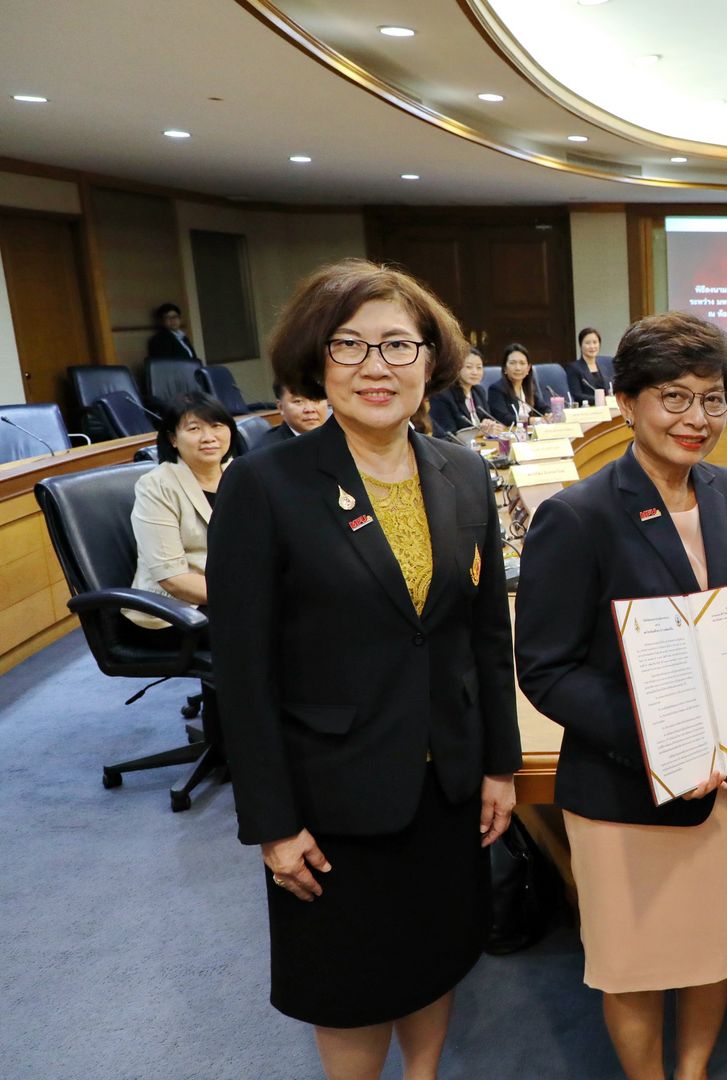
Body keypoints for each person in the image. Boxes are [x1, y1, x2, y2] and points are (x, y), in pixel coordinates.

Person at [208, 259, 521, 1080]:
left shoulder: (461, 471)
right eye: (349, 346)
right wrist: (271, 823)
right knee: (349, 984)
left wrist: (500, 764)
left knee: (437, 956)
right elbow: (241, 671)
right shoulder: (265, 485)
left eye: (396, 346)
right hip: (333, 796)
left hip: (447, 781)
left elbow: (485, 635)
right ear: (317, 359)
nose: (374, 368)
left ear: (430, 360)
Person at [513, 311, 727, 1080]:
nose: (697, 419)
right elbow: (547, 668)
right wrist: (664, 744)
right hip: (630, 785)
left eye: (713, 399)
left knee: (716, 946)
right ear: (626, 402)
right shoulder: (577, 516)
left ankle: (692, 1072)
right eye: (674, 397)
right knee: (635, 962)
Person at [126, 392, 243, 630]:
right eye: (194, 429)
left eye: (216, 425)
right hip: (178, 612)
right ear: (173, 439)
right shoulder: (157, 485)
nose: (208, 437)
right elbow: (173, 580)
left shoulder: (242, 474)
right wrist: (251, 596)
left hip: (237, 593)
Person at [428, 347, 497, 438]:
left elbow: (487, 419)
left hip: (482, 445)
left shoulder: (479, 391)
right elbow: (448, 435)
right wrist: (478, 432)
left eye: (479, 367)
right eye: (469, 367)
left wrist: (488, 424)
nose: (475, 372)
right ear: (457, 368)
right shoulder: (442, 395)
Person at [487, 343, 541, 427]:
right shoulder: (496, 389)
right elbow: (504, 419)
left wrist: (549, 414)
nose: (518, 368)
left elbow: (543, 407)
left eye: (522, 363)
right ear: (505, 367)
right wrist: (530, 420)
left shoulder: (529, 386)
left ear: (528, 368)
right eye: (512, 363)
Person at [262, 382, 329, 446]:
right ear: (281, 407)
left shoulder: (335, 435)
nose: (310, 409)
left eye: (316, 399)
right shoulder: (268, 452)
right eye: (298, 401)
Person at [565, 326, 615, 403]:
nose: (592, 346)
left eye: (595, 342)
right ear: (580, 345)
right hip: (588, 409)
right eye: (587, 343)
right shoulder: (573, 368)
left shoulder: (606, 365)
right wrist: (601, 400)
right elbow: (576, 395)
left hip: (607, 407)